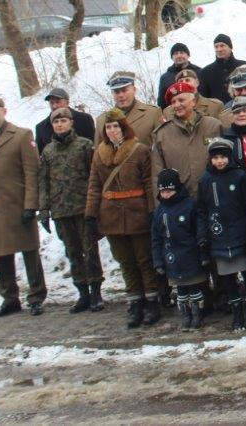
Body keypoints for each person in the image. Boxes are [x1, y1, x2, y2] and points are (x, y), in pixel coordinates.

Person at [0, 97, 46, 319]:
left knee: (29, 252)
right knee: (0, 254)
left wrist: (31, 204)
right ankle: (9, 298)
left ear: (5, 111)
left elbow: (32, 172)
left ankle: (36, 296)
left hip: (18, 203)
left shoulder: (21, 135)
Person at [85, 108, 158, 328]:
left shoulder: (140, 150)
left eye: (116, 126)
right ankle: (135, 302)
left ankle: (152, 302)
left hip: (137, 214)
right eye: (108, 127)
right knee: (125, 262)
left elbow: (148, 182)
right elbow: (94, 185)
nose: (112, 131)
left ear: (124, 128)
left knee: (144, 260)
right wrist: (91, 213)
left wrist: (152, 210)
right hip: (111, 216)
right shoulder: (99, 154)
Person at [38, 107, 103, 313]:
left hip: (83, 208)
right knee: (73, 253)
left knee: (90, 251)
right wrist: (44, 210)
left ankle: (96, 292)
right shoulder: (47, 152)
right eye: (56, 122)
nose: (59, 125)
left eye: (63, 121)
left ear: (71, 122)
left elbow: (94, 178)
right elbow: (44, 182)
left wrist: (95, 206)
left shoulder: (85, 146)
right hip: (61, 210)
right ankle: (82, 293)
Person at [198, 138, 246, 331]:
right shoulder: (205, 180)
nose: (220, 161)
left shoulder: (240, 176)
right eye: (215, 157)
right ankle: (237, 313)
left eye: (223, 156)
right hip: (219, 238)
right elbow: (201, 210)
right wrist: (203, 235)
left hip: (241, 235)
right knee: (228, 279)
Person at [151, 168, 208, 331]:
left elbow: (199, 230)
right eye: (163, 191)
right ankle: (185, 314)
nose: (166, 195)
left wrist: (203, 252)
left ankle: (198, 314)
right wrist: (158, 261)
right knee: (181, 290)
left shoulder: (189, 205)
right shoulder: (159, 212)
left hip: (191, 255)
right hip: (171, 258)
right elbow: (156, 239)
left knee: (195, 288)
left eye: (169, 191)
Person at [151, 82, 224, 195]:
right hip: (180, 202)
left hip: (213, 196)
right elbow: (157, 174)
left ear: (193, 101)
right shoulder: (162, 134)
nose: (177, 105)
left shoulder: (214, 126)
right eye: (173, 102)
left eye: (181, 100)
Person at [95, 71, 161, 146]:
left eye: (124, 90)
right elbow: (97, 154)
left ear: (134, 90)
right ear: (112, 94)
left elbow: (163, 146)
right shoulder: (102, 120)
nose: (121, 95)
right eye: (117, 92)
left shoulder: (152, 113)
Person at [35, 87, 95, 154]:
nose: (54, 106)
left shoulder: (84, 119)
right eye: (51, 103)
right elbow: (39, 155)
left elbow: (94, 145)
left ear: (67, 102)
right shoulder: (41, 127)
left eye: (58, 102)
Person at [198, 34, 246, 102]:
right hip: (219, 111)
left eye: (222, 45)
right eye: (216, 47)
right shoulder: (205, 72)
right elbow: (204, 99)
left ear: (230, 47)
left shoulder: (245, 66)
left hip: (244, 109)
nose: (219, 49)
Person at [157, 43, 202, 109]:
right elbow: (161, 102)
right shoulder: (165, 78)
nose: (179, 56)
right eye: (176, 54)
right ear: (172, 57)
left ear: (188, 55)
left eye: (182, 53)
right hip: (175, 112)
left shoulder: (199, 72)